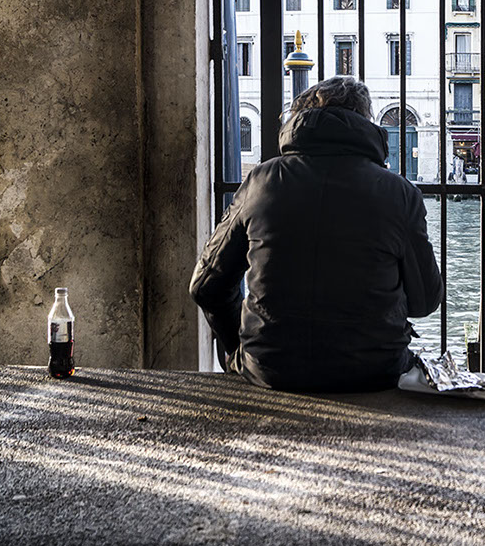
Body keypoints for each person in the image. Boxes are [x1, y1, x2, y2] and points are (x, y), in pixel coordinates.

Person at [189, 76, 443, 392]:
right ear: (366, 120)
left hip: (268, 369)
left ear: (299, 118)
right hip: (373, 372)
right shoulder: (399, 192)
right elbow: (425, 301)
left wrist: (240, 349)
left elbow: (206, 286)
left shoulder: (260, 181)